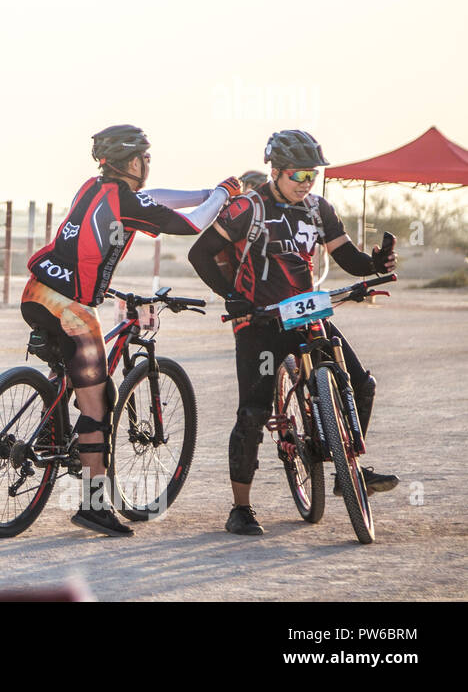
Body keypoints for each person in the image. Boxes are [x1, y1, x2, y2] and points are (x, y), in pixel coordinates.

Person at [22, 124, 240, 537]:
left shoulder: (93, 188)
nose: (150, 164)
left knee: (78, 378)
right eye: (147, 158)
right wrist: (223, 197)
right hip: (70, 306)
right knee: (97, 405)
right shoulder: (124, 202)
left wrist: (209, 190)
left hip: (34, 292)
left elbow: (156, 199)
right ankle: (93, 506)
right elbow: (193, 225)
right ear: (133, 162)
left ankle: (54, 434)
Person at [187, 130, 399, 536]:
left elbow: (347, 257)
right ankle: (241, 509)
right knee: (253, 414)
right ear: (276, 171)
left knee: (361, 383)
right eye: (299, 176)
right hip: (259, 321)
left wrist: (373, 264)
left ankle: (345, 466)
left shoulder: (319, 209)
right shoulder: (248, 208)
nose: (307, 184)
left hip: (306, 312)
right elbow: (199, 253)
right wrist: (232, 297)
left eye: (312, 176)